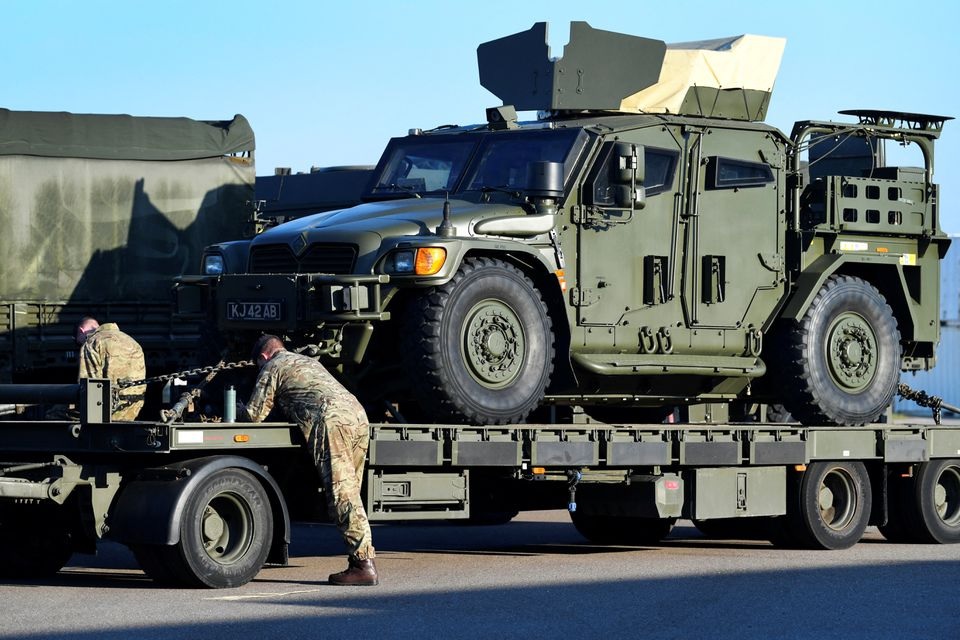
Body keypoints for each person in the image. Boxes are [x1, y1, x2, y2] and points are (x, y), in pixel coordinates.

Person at [240, 334, 378, 586]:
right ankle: (359, 559)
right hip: (357, 415)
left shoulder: (272, 366)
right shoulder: (307, 361)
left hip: (330, 419)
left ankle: (363, 565)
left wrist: (235, 410)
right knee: (351, 492)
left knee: (342, 493)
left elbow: (255, 416)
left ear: (263, 356)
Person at [75, 316, 147, 421]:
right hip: (132, 410)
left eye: (78, 342)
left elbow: (87, 388)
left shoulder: (92, 342)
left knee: (54, 413)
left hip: (105, 413)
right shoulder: (133, 343)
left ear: (81, 331)